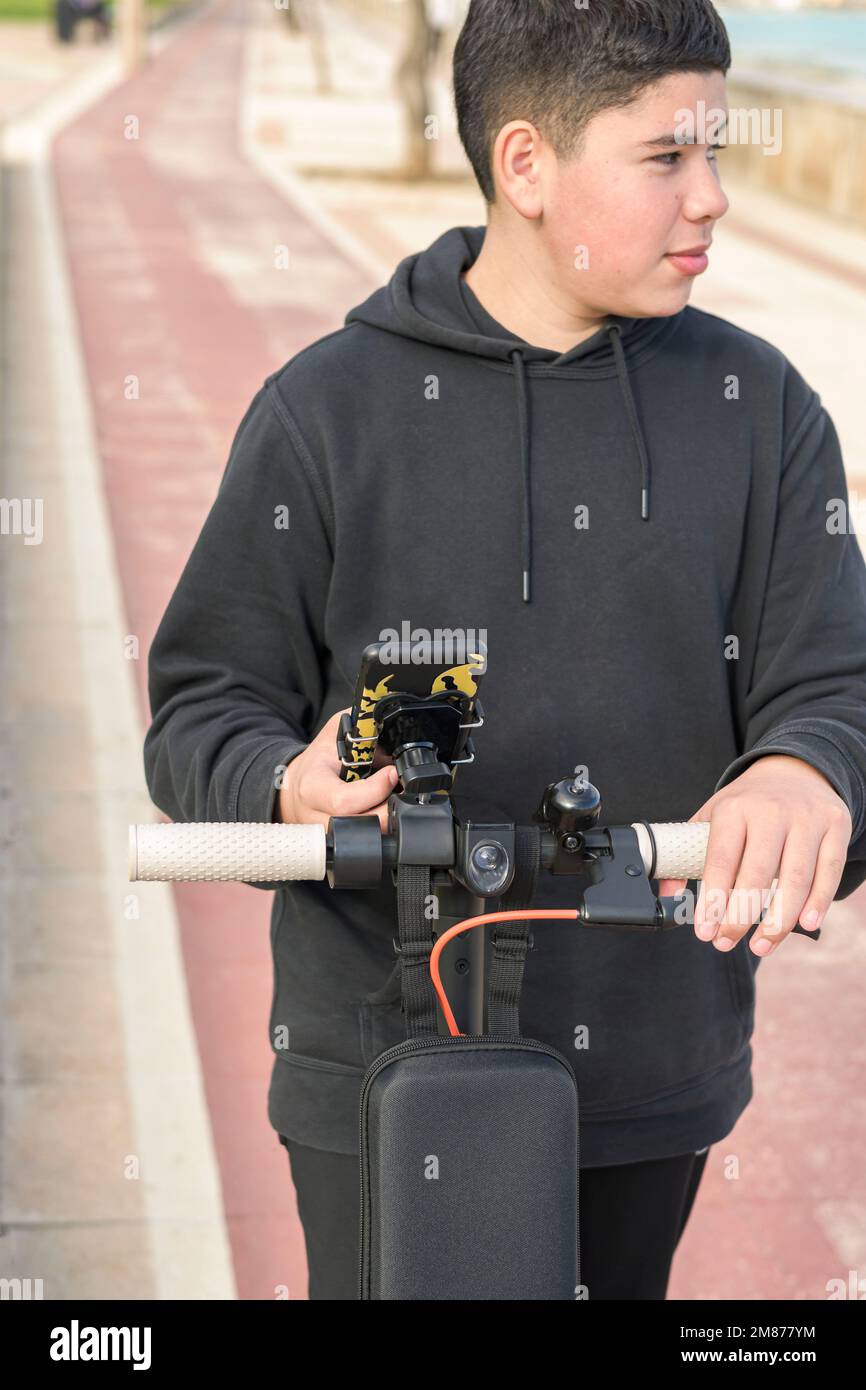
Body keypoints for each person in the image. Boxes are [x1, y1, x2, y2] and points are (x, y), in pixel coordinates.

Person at [143, 0, 866, 1300]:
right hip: (376, 1063)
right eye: (664, 157)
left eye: (715, 148)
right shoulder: (322, 414)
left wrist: (804, 770)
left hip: (653, 1069)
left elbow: (833, 687)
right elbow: (202, 708)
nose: (711, 197)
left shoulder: (757, 409)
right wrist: (280, 783)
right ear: (524, 165)